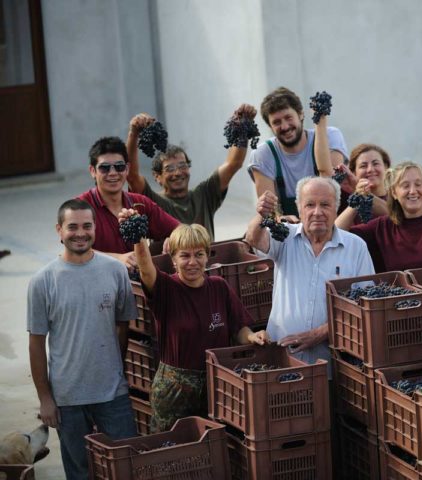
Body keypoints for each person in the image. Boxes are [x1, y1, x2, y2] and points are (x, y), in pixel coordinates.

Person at [28, 199, 137, 480]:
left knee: (127, 467)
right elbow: (36, 344)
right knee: (79, 473)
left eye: (87, 226)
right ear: (59, 230)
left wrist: (116, 370)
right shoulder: (43, 281)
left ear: (95, 228)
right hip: (68, 398)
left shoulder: (115, 272)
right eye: (72, 226)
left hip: (113, 394)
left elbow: (122, 326)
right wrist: (45, 398)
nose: (80, 233)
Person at [125, 220, 262, 432]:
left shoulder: (219, 287)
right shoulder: (166, 288)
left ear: (207, 256)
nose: (192, 262)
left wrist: (252, 337)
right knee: (174, 450)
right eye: (185, 255)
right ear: (173, 260)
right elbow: (145, 269)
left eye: (199, 254)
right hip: (174, 391)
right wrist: (138, 236)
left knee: (214, 448)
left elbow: (239, 328)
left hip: (217, 386)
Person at [244, 176, 374, 365]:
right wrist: (261, 214)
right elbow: (254, 239)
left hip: (333, 364)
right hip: (281, 358)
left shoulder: (356, 247)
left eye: (325, 205)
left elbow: (365, 306)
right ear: (299, 207)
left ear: (337, 207)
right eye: (310, 205)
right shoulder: (284, 236)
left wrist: (319, 334)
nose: (317, 212)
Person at [125, 104, 257, 240]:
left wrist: (243, 127)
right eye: (170, 169)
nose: (177, 173)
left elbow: (233, 164)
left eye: (182, 166)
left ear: (189, 169)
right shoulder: (152, 202)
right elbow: (131, 175)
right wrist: (134, 134)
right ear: (157, 177)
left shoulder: (205, 194)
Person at [76, 136, 179, 272]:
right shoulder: (79, 207)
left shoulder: (140, 203)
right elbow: (72, 252)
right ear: (92, 171)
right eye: (104, 168)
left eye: (119, 167)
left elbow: (181, 229)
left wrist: (176, 238)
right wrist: (117, 259)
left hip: (139, 284)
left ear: (127, 169)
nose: (113, 173)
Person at [248, 86, 349, 218]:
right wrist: (281, 219)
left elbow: (332, 185)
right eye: (277, 122)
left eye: (288, 118)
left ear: (301, 114)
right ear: (269, 126)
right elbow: (270, 213)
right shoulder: (263, 154)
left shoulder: (329, 135)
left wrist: (320, 123)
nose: (284, 126)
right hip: (291, 233)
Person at [334, 143, 392, 225]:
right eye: (363, 166)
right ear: (353, 172)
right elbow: (335, 232)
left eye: (375, 164)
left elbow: (399, 216)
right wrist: (357, 195)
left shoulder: (398, 196)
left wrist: (363, 194)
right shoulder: (343, 198)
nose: (370, 169)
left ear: (386, 167)